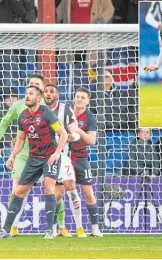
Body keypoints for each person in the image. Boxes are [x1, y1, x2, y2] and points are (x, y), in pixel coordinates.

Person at [0, 74, 70, 237]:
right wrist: (12, 156)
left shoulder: (47, 114)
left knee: (49, 188)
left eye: (31, 94)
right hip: (34, 158)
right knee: (19, 192)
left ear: (39, 98)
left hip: (49, 156)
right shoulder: (23, 116)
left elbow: (63, 134)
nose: (27, 96)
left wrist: (56, 153)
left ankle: (49, 230)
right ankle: (5, 230)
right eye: (26, 93)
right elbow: (20, 140)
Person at [43, 84, 87, 238]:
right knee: (56, 195)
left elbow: (76, 134)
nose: (48, 94)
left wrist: (70, 137)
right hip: (45, 158)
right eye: (46, 92)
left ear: (57, 94)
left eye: (51, 91)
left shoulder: (65, 110)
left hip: (63, 157)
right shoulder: (38, 110)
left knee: (72, 190)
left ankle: (80, 228)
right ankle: (54, 228)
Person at [70, 87, 103, 237]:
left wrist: (78, 131)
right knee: (59, 193)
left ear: (88, 101)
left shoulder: (89, 117)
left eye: (83, 97)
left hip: (81, 158)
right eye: (77, 96)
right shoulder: (66, 112)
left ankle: (95, 228)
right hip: (64, 157)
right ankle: (61, 227)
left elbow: (91, 141)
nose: (79, 99)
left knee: (88, 193)